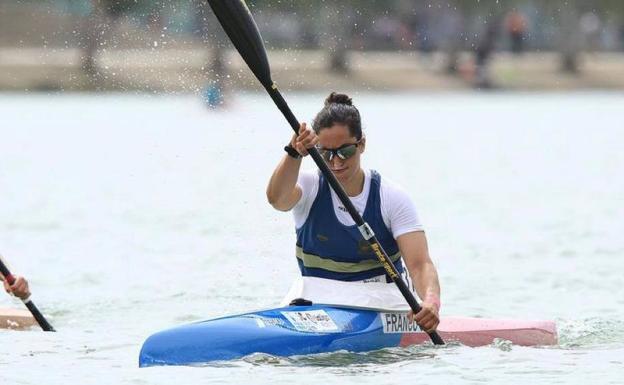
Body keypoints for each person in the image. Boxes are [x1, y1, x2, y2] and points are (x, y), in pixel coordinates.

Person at [266, 92, 441, 333]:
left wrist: (431, 302)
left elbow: (420, 264)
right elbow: (277, 200)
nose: (336, 162)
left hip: (382, 305)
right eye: (326, 153)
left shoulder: (390, 197)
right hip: (314, 299)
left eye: (345, 151)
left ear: (362, 144)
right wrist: (293, 152)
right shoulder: (309, 187)